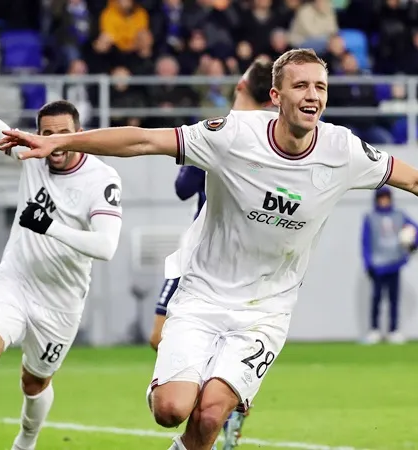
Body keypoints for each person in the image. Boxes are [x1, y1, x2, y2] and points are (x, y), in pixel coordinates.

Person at [0, 48, 418, 450]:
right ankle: (171, 400)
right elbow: (143, 140)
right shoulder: (232, 136)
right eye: (301, 86)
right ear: (276, 95)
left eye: (320, 87)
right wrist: (59, 141)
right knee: (173, 410)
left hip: (266, 311)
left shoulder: (344, 150)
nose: (312, 95)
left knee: (209, 419)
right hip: (202, 295)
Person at [0, 47, 124, 450]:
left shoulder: (102, 178)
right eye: (46, 134)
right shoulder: (32, 154)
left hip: (61, 298)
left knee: (34, 383)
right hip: (15, 280)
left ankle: (26, 442)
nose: (54, 142)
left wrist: (49, 227)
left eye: (62, 133)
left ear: (78, 133)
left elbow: (106, 247)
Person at [150, 58, 274, 450]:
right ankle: (225, 399)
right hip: (223, 259)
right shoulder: (272, 137)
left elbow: (182, 188)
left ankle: (222, 401)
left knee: (162, 341)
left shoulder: (223, 132)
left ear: (240, 85)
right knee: (162, 340)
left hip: (212, 259)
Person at [362, 186, 418, 345]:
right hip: (377, 264)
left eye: (386, 198)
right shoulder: (371, 217)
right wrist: (368, 263)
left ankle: (393, 330)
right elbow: (365, 242)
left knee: (394, 299)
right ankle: (374, 330)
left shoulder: (399, 215)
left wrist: (412, 245)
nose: (384, 201)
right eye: (381, 198)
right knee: (376, 299)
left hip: (394, 262)